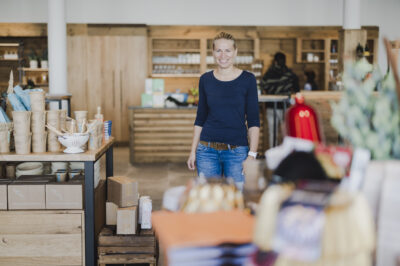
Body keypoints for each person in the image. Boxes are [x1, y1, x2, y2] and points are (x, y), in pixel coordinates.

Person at [186, 32, 260, 190]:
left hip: (237, 152)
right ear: (213, 53)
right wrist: (193, 151)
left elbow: (254, 120)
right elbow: (200, 118)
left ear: (235, 52)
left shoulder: (248, 80)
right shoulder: (205, 79)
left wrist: (252, 155)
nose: (223, 55)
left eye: (227, 50)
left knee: (237, 200)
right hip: (206, 151)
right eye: (218, 50)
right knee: (208, 201)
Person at [260, 52, 299, 147]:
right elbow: (297, 90)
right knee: (286, 133)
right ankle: (285, 156)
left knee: (272, 133)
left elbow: (262, 88)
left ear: (275, 61)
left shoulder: (268, 73)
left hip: (271, 106)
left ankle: (273, 155)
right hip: (285, 106)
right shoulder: (290, 74)